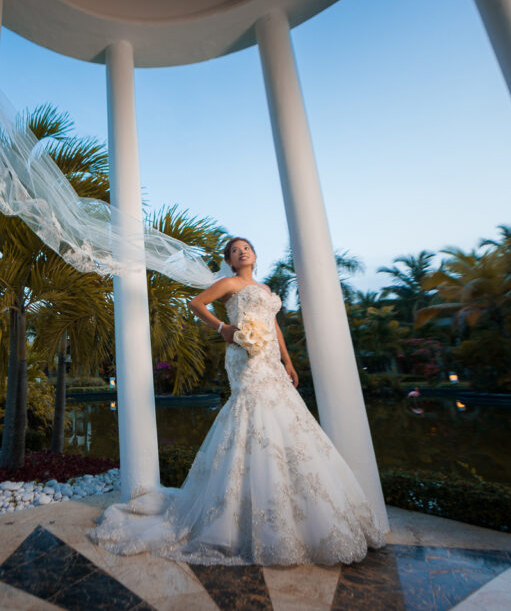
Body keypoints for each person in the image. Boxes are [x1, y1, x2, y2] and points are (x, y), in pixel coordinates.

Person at [86, 237, 386, 566]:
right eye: (234, 251)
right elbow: (196, 304)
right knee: (252, 414)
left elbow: (273, 326)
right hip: (243, 356)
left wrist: (287, 360)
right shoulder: (228, 283)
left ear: (255, 255)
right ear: (229, 261)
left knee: (286, 419)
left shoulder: (268, 288)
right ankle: (238, 518)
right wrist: (223, 329)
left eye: (246, 248)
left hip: (270, 356)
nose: (241, 252)